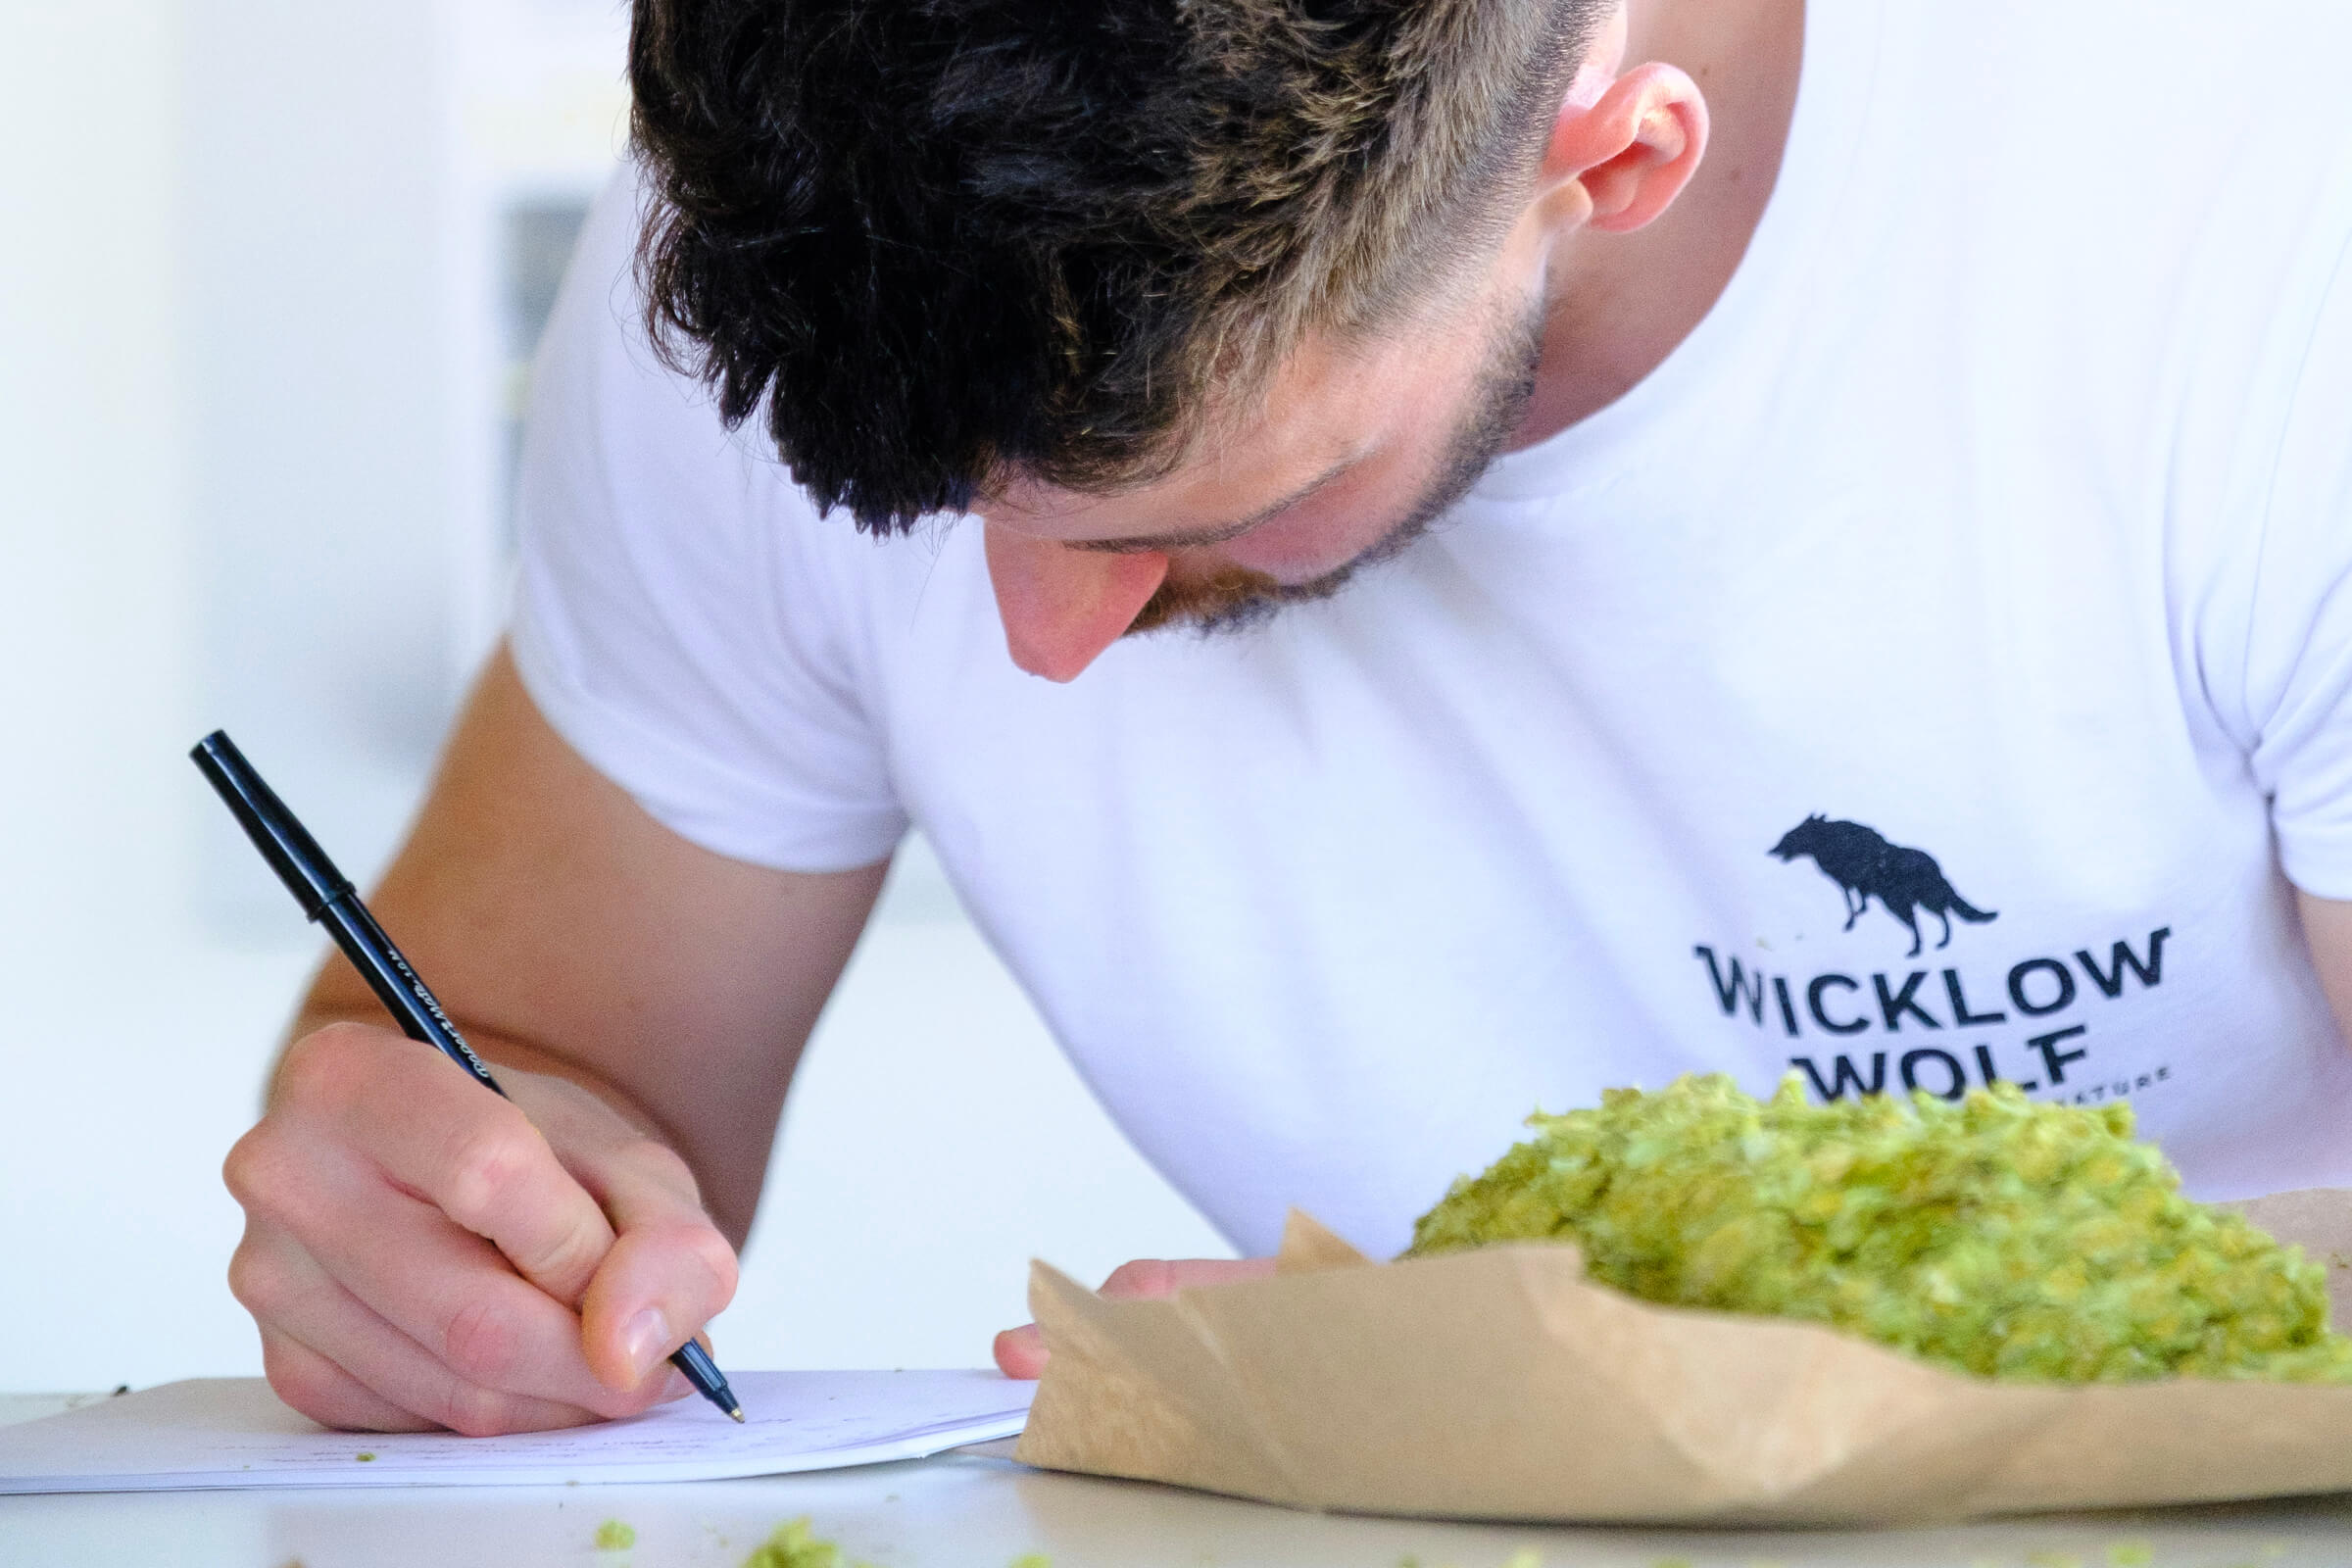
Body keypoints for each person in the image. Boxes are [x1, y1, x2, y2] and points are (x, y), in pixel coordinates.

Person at [221, 0, 2352, 1435]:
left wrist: (1597, 1375)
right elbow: (542, 1055)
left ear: (1615, 161)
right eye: (944, 520)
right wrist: (449, 1233)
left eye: (1201, 517)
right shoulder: (802, 226)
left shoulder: (2252, 239)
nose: (1036, 645)